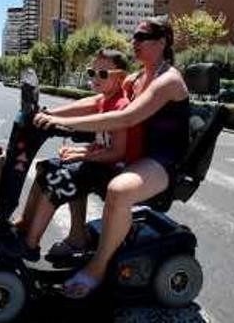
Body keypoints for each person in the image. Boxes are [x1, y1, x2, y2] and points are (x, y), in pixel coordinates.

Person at [33, 17, 190, 299]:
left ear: (162, 42)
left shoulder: (168, 80)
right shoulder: (137, 77)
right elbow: (97, 102)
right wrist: (53, 114)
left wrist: (70, 126)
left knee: (118, 191)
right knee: (72, 168)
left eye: (142, 37)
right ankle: (76, 236)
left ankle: (98, 267)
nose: (135, 41)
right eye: (134, 36)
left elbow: (126, 117)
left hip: (162, 160)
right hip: (140, 154)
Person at [13, 49, 141, 264]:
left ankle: (30, 244)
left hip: (118, 171)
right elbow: (99, 141)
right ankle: (25, 224)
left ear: (119, 77)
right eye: (92, 72)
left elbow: (118, 152)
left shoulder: (120, 105)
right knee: (46, 167)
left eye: (103, 74)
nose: (95, 78)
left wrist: (83, 156)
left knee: (58, 179)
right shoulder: (104, 100)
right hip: (103, 164)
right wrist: (49, 115)